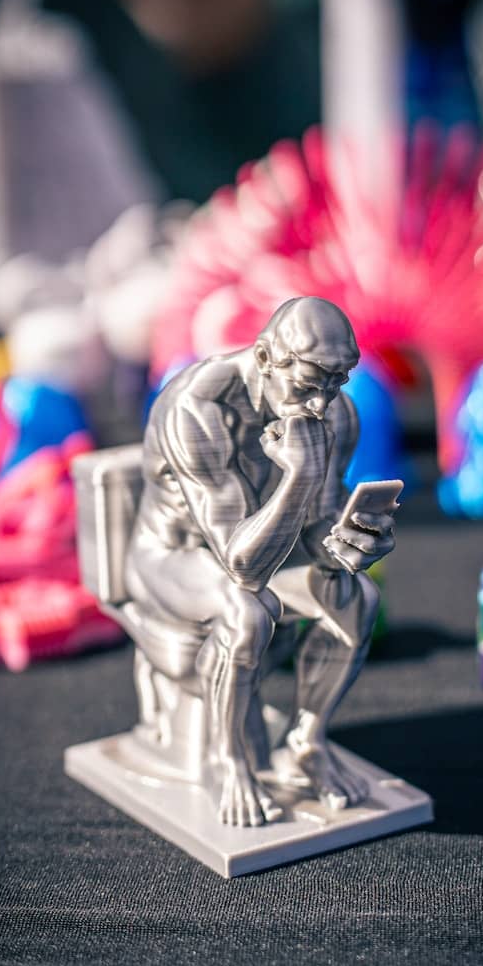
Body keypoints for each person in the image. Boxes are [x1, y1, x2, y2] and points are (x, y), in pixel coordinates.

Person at [124, 297, 397, 828]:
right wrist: (299, 475)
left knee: (354, 597)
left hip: (253, 554)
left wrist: (352, 544)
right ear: (268, 356)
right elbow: (242, 568)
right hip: (172, 556)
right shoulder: (197, 408)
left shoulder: (334, 408)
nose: (319, 406)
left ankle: (305, 742)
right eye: (307, 386)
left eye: (336, 384)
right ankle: (227, 760)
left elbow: (317, 530)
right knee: (246, 610)